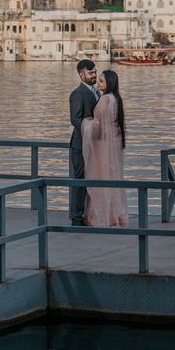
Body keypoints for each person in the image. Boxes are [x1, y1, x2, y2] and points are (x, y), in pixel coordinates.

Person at [82, 68, 128, 228]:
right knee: (112, 176)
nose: (98, 83)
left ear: (110, 83)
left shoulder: (105, 99)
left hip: (102, 144)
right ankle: (115, 214)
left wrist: (85, 123)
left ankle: (102, 216)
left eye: (101, 81)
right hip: (113, 143)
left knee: (100, 177)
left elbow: (99, 124)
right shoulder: (116, 98)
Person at [69, 59, 99, 226]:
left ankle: (89, 214)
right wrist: (93, 129)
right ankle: (76, 217)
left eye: (95, 72)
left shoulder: (96, 92)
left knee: (92, 180)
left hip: (94, 145)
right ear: (82, 75)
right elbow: (75, 120)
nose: (94, 75)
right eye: (90, 73)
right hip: (80, 144)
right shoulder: (78, 93)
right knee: (79, 181)